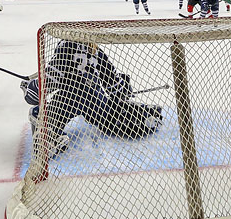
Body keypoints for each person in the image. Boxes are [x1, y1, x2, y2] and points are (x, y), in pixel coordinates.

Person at [20, 40, 163, 154]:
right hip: (94, 100)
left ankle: (50, 137)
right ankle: (142, 115)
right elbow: (115, 85)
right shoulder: (97, 51)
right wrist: (125, 89)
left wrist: (28, 86)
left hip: (67, 99)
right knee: (113, 116)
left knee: (38, 112)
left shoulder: (65, 47)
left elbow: (38, 92)